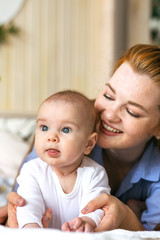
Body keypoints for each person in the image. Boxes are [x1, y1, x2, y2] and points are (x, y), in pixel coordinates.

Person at [4, 43, 160, 231]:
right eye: (109, 96)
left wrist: (127, 217)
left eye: (132, 111)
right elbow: (19, 210)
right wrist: (16, 219)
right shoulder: (64, 129)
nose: (109, 115)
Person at [15, 90, 111, 231]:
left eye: (66, 130)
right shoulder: (32, 171)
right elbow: (29, 203)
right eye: (44, 127)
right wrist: (31, 227)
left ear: (89, 144)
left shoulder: (94, 174)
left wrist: (86, 222)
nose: (51, 137)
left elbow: (95, 207)